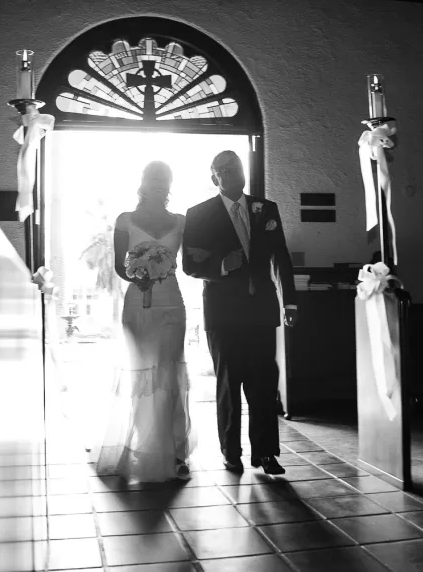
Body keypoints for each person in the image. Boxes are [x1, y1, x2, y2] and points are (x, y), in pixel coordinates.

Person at [182, 151, 298, 475]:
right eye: (226, 169)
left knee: (264, 382)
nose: (234, 172)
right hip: (224, 314)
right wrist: (221, 264)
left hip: (262, 310)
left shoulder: (266, 210)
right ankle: (231, 452)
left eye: (238, 167)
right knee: (230, 386)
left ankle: (266, 453)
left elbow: (282, 259)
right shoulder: (199, 214)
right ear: (214, 177)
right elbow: (189, 265)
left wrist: (290, 302)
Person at [92, 161, 196, 482]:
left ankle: (175, 451)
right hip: (137, 302)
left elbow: (189, 260)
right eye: (154, 179)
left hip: (171, 305)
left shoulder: (182, 221)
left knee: (168, 372)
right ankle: (138, 444)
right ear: (144, 183)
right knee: (141, 375)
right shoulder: (125, 220)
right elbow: (120, 266)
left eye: (165, 179)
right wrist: (140, 275)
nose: (159, 184)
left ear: (170, 184)